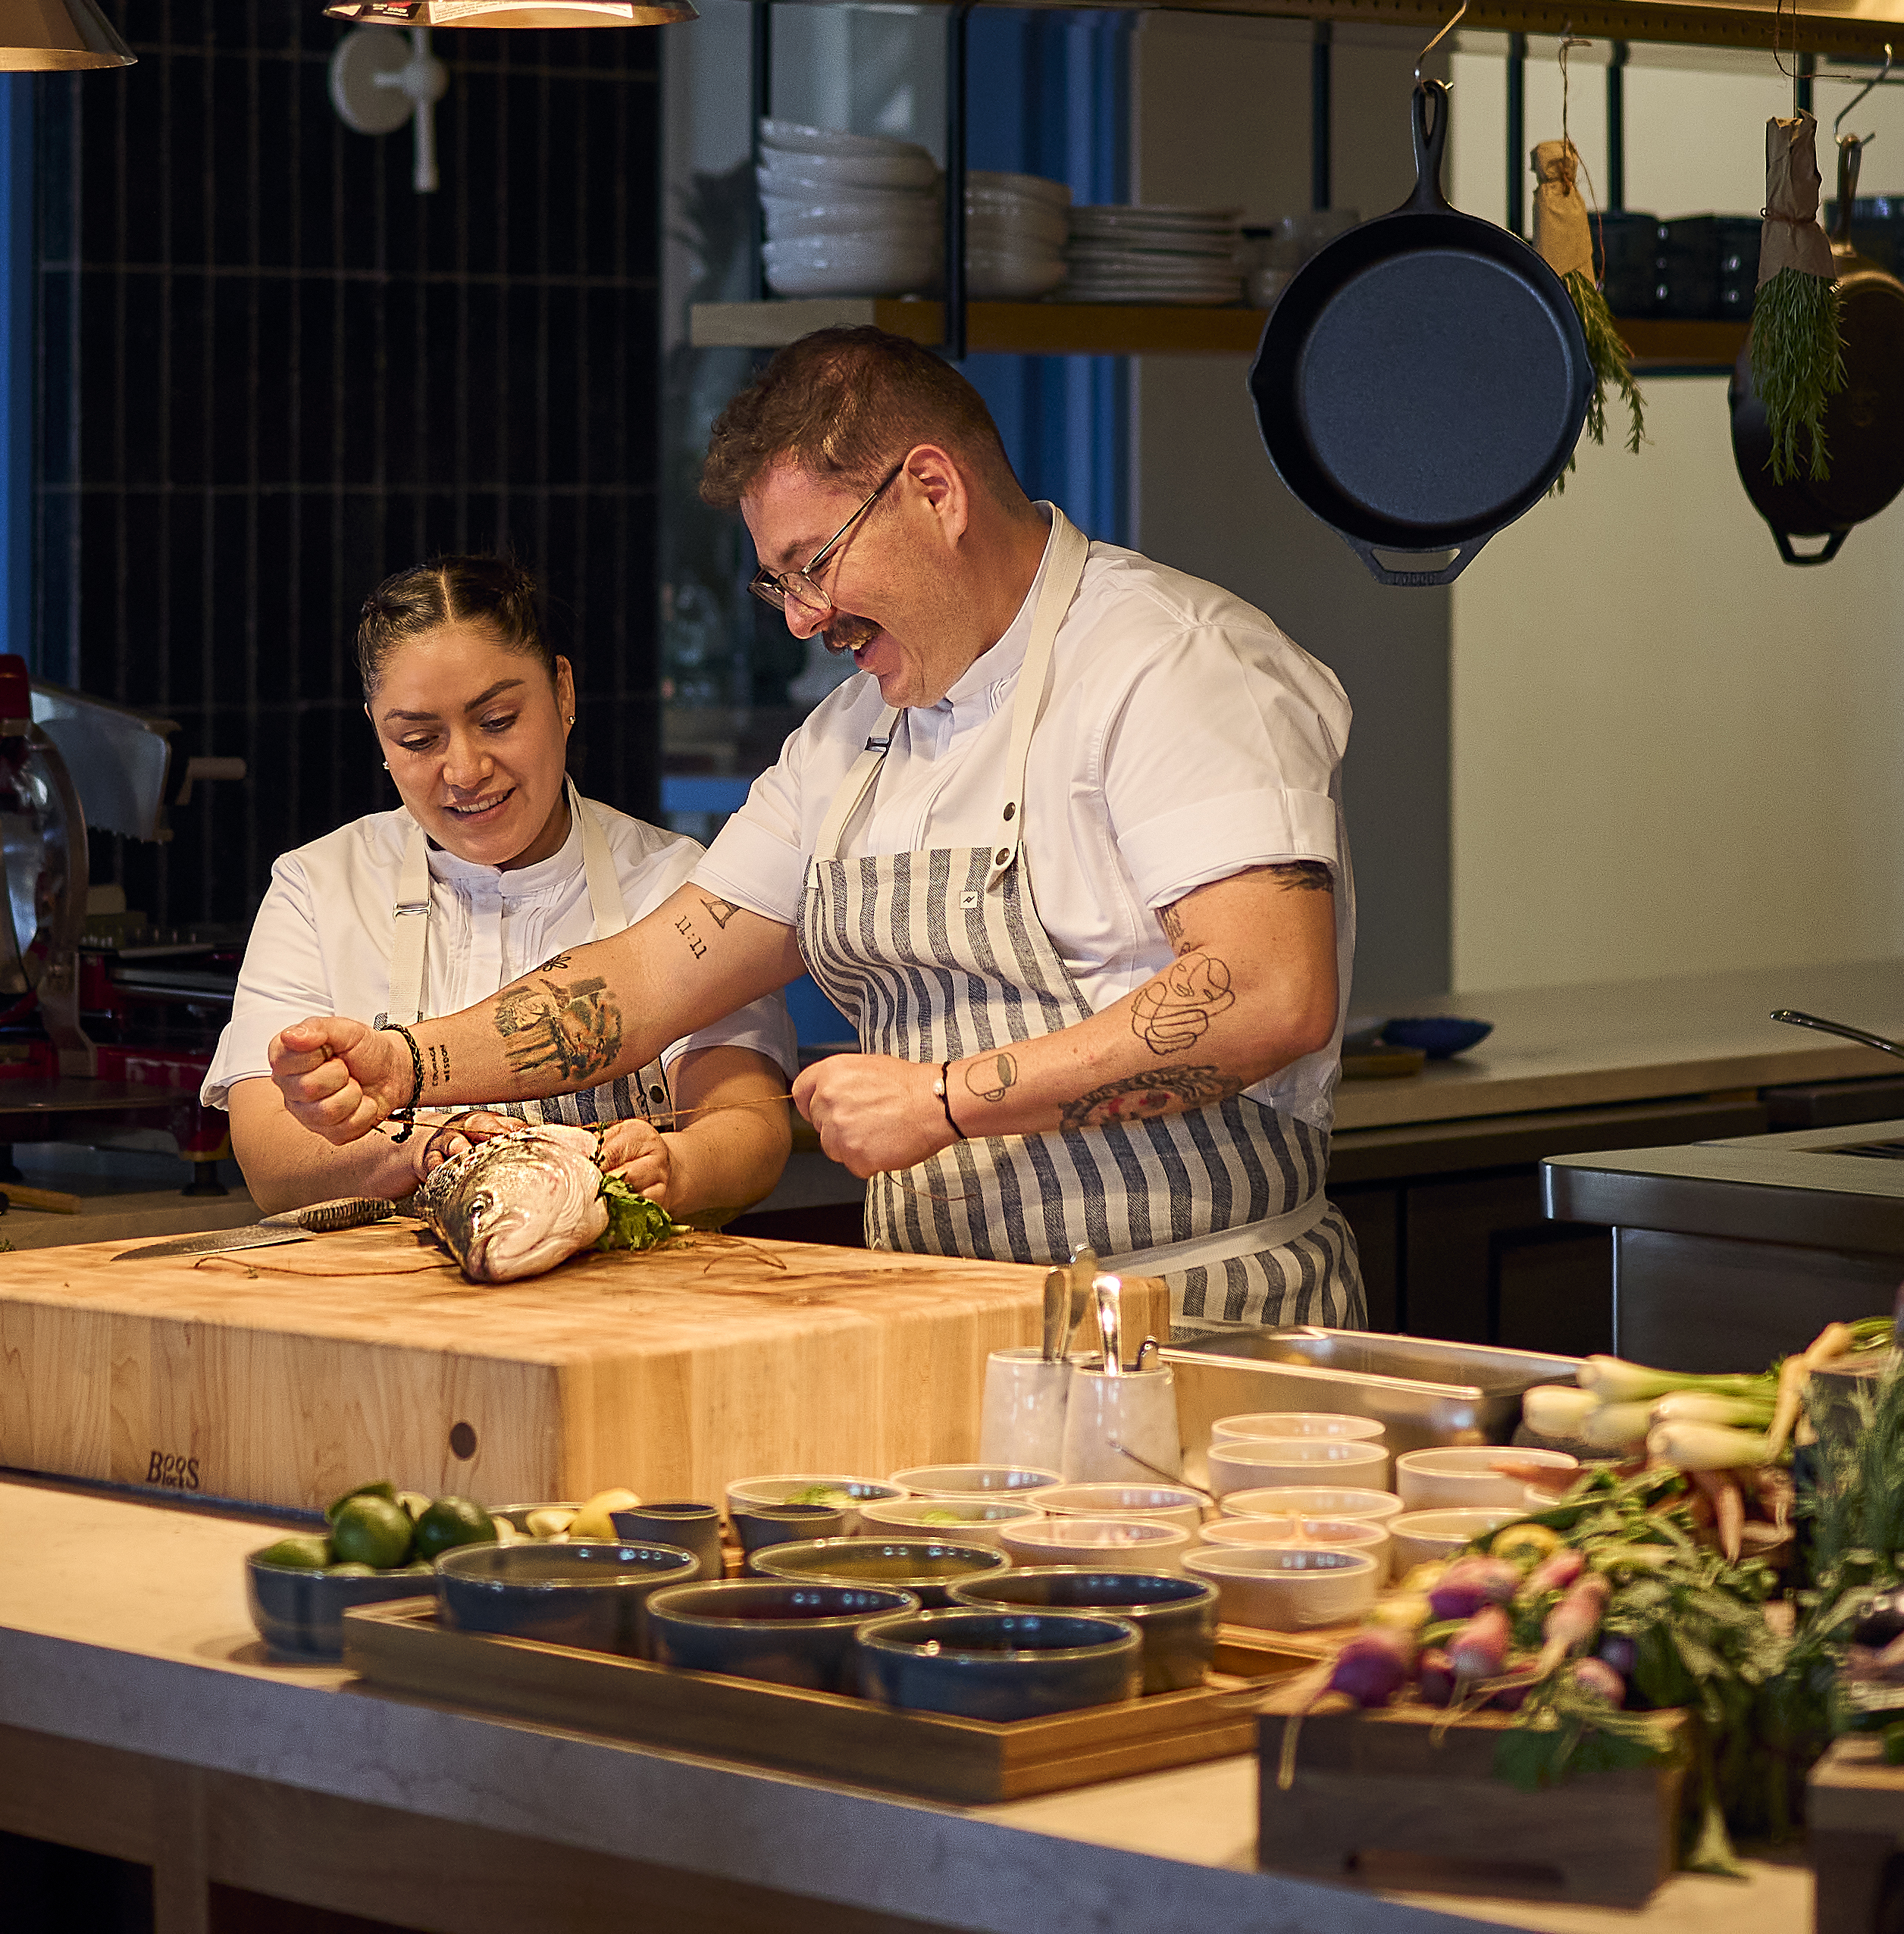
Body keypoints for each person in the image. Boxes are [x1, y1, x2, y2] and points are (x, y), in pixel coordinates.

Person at [274, 329, 1361, 1322]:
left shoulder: (1171, 663)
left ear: (932, 490)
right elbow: (652, 978)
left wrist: (945, 1101)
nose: (800, 615)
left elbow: (1269, 989)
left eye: (813, 563)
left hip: (1199, 1321)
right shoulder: (849, 739)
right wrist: (410, 1064)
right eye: (777, 581)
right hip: (943, 1319)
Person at [208, 553, 794, 1225]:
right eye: (419, 738)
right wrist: (427, 1155)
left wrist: (682, 1167)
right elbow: (268, 1155)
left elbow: (749, 1122)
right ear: (378, 732)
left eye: (498, 721)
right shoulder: (319, 886)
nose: (465, 770)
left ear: (563, 693)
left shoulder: (680, 880)